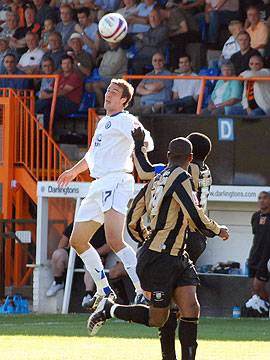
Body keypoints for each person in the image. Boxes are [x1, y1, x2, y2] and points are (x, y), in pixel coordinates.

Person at [87, 137, 229, 360]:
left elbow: (134, 215)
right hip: (165, 256)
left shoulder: (158, 178)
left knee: (190, 308)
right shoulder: (190, 174)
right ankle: (110, 308)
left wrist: (144, 240)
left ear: (168, 156)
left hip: (174, 253)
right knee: (160, 318)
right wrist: (217, 229)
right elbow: (194, 214)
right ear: (190, 157)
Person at [57, 79, 154, 311]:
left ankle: (142, 291)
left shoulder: (126, 120)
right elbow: (91, 157)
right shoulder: (103, 122)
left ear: (124, 100)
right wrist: (72, 171)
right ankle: (104, 290)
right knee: (77, 240)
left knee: (114, 239)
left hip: (117, 180)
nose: (108, 94)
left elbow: (147, 142)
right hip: (98, 184)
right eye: (108, 90)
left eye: (114, 92)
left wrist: (139, 144)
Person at [131, 129, 214, 360]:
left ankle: (168, 354)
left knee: (167, 305)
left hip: (176, 239)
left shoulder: (178, 174)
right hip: (197, 240)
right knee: (184, 307)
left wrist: (139, 146)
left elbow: (146, 171)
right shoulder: (205, 172)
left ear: (186, 154)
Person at [36, 54, 83, 129]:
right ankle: (41, 132)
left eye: (68, 63)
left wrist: (46, 96)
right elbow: (50, 89)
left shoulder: (75, 76)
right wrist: (43, 94)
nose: (66, 66)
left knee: (45, 104)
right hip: (58, 101)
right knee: (45, 111)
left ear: (72, 64)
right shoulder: (59, 76)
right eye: (64, 63)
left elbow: (63, 92)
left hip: (70, 104)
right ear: (61, 65)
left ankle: (41, 131)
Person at [244, 191, 270, 316]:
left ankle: (267, 307)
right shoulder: (255, 216)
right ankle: (260, 311)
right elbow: (257, 236)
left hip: (266, 258)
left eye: (265, 198)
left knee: (258, 286)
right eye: (259, 198)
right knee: (254, 289)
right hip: (254, 256)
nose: (262, 200)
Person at [85, 42, 128, 107]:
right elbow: (101, 67)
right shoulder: (107, 53)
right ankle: (93, 106)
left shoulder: (121, 53)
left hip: (117, 79)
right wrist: (104, 70)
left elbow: (111, 71)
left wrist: (103, 70)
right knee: (87, 85)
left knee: (96, 85)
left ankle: (103, 107)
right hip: (104, 77)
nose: (110, 43)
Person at [131, 9, 169, 74]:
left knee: (135, 62)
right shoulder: (150, 29)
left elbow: (154, 42)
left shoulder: (164, 29)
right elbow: (140, 41)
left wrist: (143, 38)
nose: (153, 19)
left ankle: (139, 83)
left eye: (155, 16)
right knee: (129, 60)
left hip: (155, 56)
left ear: (160, 18)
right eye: (151, 17)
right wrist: (142, 41)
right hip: (143, 54)